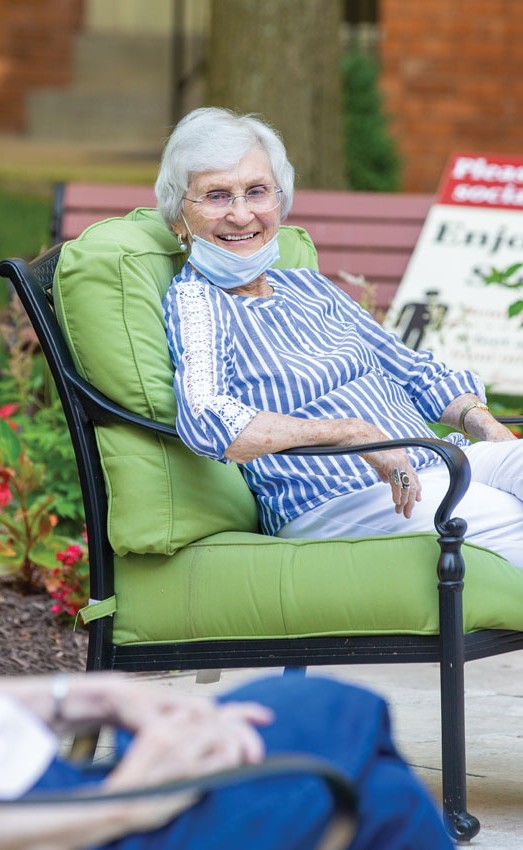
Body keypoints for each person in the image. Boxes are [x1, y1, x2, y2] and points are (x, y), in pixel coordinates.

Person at [158, 106, 523, 568]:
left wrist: (488, 428)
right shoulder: (198, 303)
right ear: (178, 218)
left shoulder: (306, 286)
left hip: (437, 465)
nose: (241, 213)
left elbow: (411, 370)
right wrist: (352, 434)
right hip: (339, 498)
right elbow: (207, 416)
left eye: (256, 192)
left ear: (279, 201)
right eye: (215, 196)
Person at [0, 671, 454, 850]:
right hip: (56, 825)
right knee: (372, 783)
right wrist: (116, 805)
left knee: (380, 798)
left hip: (52, 792)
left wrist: (99, 695)